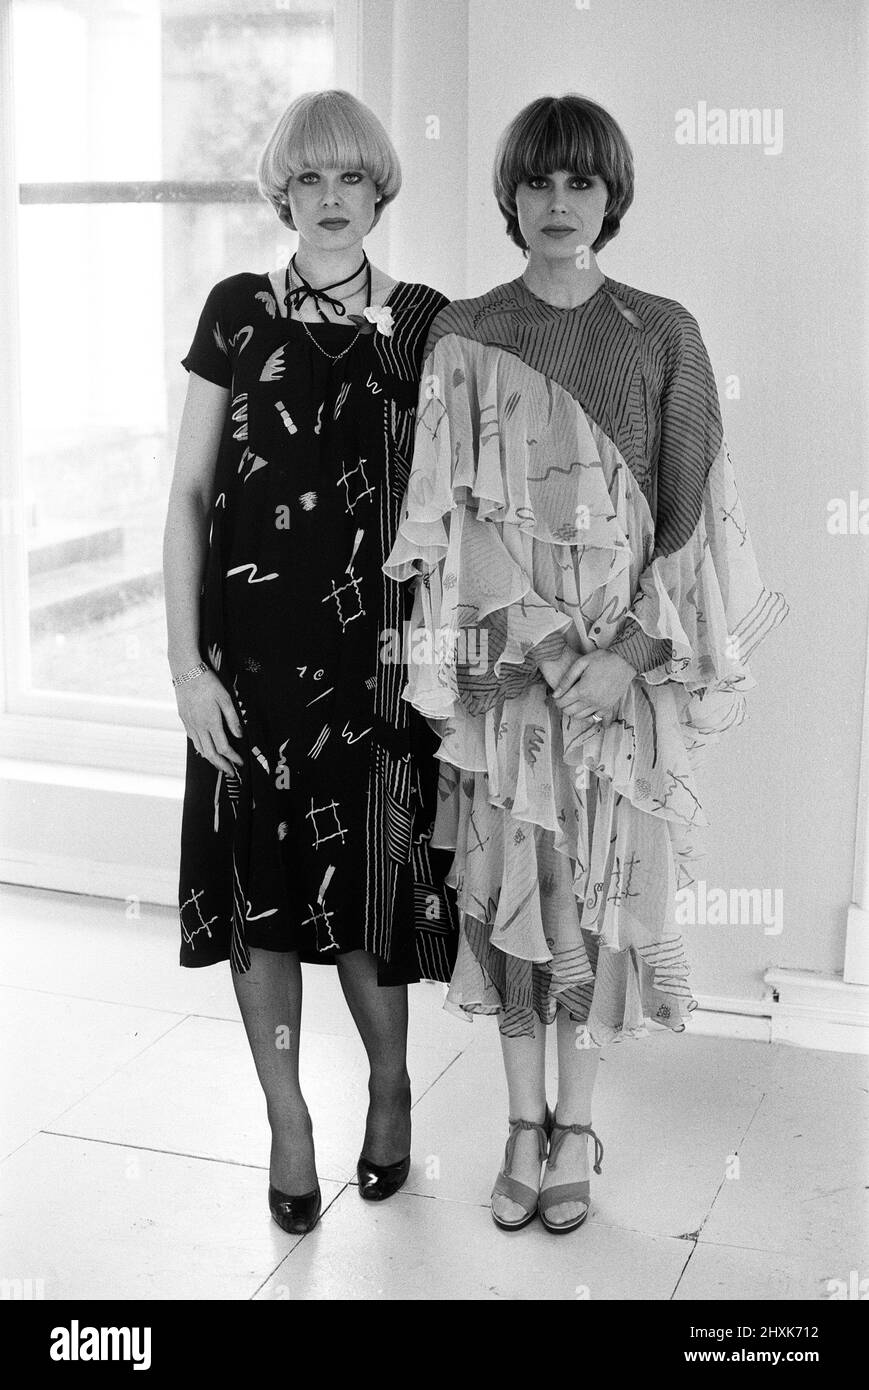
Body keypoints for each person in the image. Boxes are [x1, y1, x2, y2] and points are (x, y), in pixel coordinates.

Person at [384, 94, 789, 1234]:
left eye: (580, 183)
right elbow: (447, 520)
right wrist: (535, 641)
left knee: (602, 902)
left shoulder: (662, 333)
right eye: (537, 182)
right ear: (507, 195)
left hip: (621, 685)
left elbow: (697, 520)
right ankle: (521, 1121)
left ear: (611, 197)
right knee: (521, 895)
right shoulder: (463, 332)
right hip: (514, 684)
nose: (557, 204)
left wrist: (626, 652)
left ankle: (578, 1123)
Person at [164, 89, 457, 1236]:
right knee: (260, 909)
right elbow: (190, 496)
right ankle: (287, 1118)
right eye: (308, 178)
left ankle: (387, 1086)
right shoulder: (235, 311)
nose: (329, 199)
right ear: (280, 190)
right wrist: (187, 668)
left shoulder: (424, 322)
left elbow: (466, 496)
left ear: (379, 189)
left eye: (351, 178)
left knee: (366, 911)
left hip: (378, 674)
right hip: (248, 669)